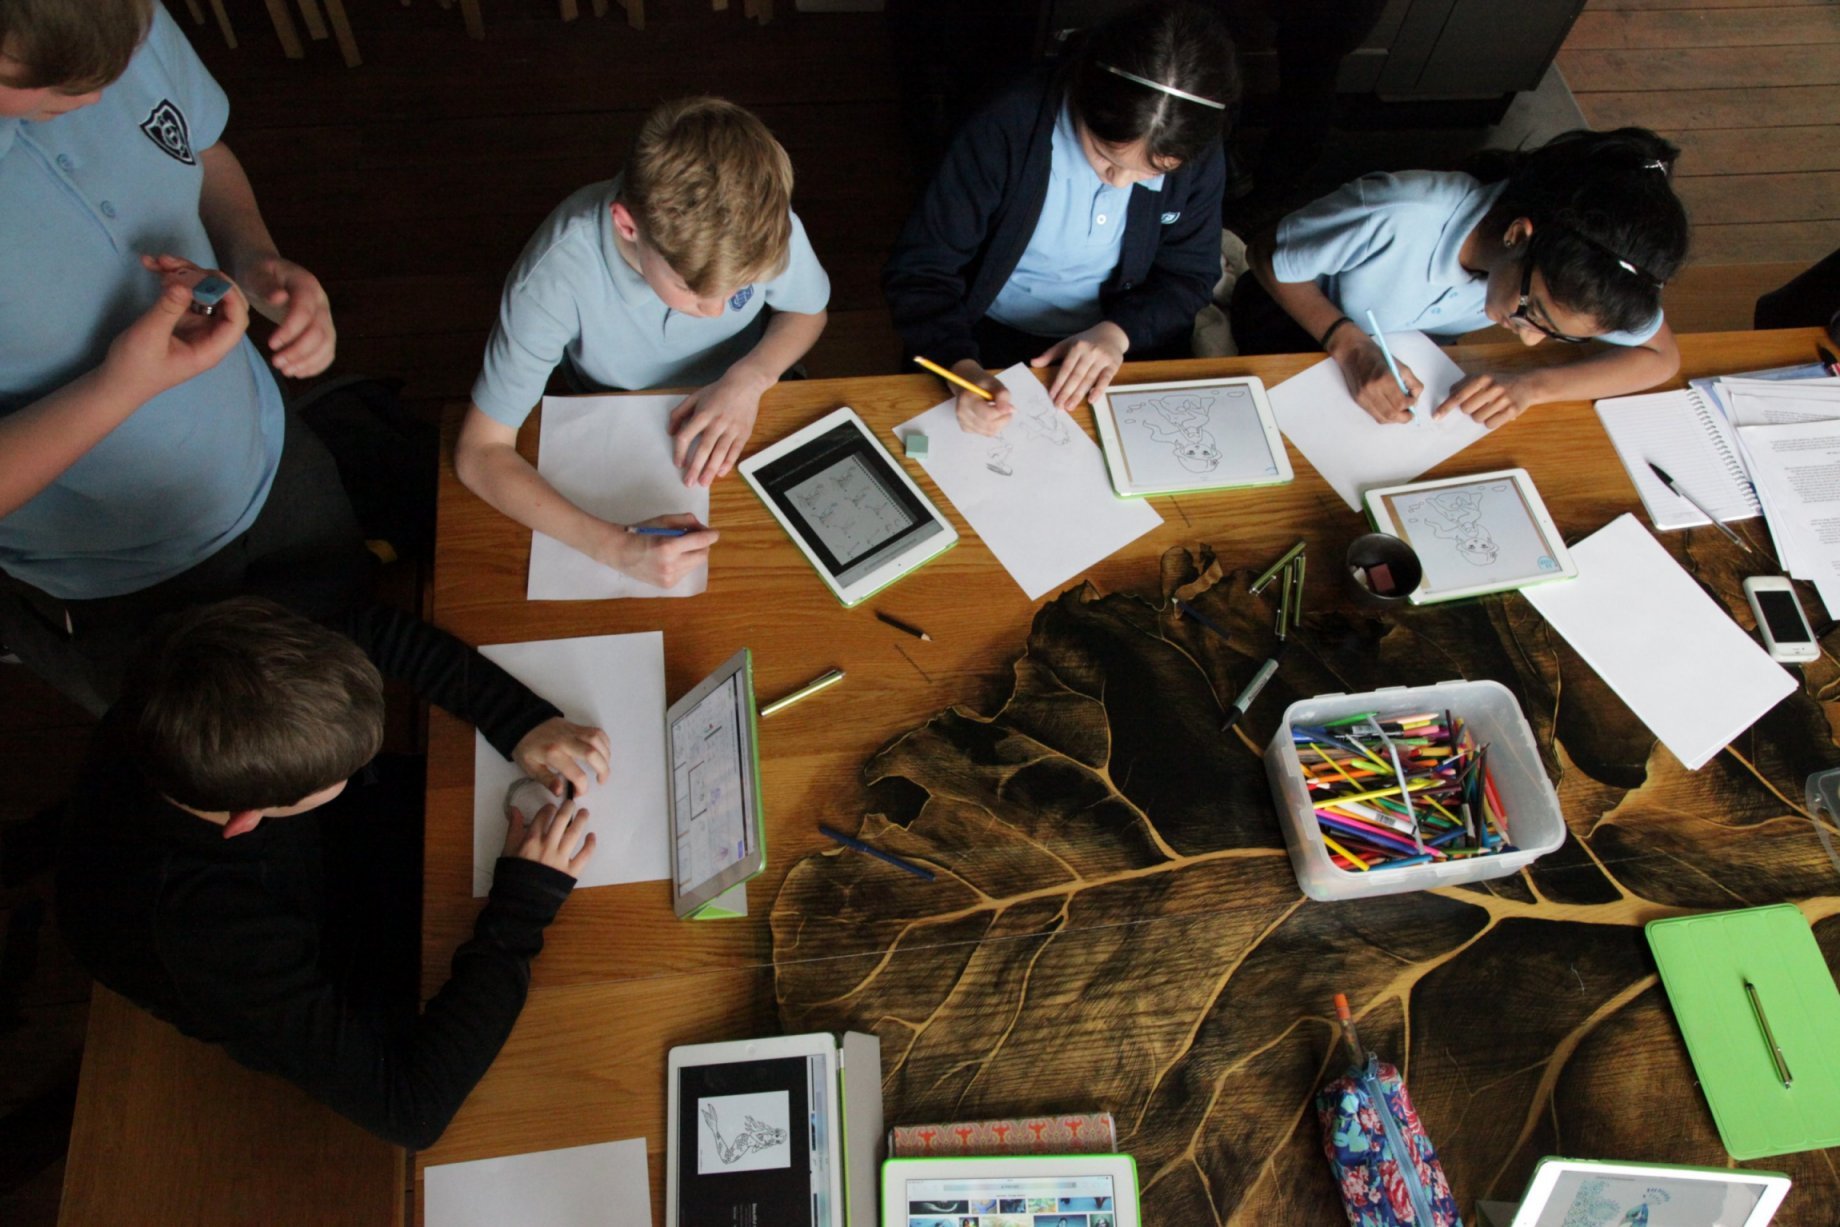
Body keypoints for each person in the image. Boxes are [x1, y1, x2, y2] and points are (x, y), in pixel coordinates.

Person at [56, 597, 609, 1149]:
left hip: (322, 857)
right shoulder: (203, 932)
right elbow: (411, 1110)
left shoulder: (229, 659)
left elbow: (374, 624)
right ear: (252, 817)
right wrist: (521, 909)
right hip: (310, 961)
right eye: (342, 772)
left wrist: (516, 719)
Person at [0, 0, 366, 715]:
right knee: (245, 751)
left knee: (345, 649)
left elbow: (199, 148)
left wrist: (256, 257)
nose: (97, 96)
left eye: (121, 58)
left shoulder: (113, 20)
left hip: (266, 446)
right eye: (52, 83)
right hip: (124, 573)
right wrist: (119, 388)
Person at [453, 96, 831, 589]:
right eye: (694, 291)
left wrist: (749, 376)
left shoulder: (760, 227)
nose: (719, 313)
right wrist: (615, 548)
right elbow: (479, 453)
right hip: (615, 407)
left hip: (752, 387)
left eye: (741, 290)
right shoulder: (555, 277)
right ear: (628, 226)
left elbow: (807, 311)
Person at [882, 0, 1237, 437]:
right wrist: (961, 368)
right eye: (1107, 158)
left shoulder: (1194, 149)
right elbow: (921, 270)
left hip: (1123, 339)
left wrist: (1118, 334)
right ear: (1083, 98)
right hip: (985, 339)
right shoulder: (1003, 124)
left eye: (1152, 172)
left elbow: (1189, 276)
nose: (1122, 184)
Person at [1232, 127, 1690, 429]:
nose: (1529, 342)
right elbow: (1264, 252)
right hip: (1295, 321)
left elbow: (1660, 357)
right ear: (1517, 235)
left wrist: (1531, 387)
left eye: (1555, 336)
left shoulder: (1593, 274)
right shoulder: (1401, 213)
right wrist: (1349, 346)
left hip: (1411, 351)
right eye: (1531, 314)